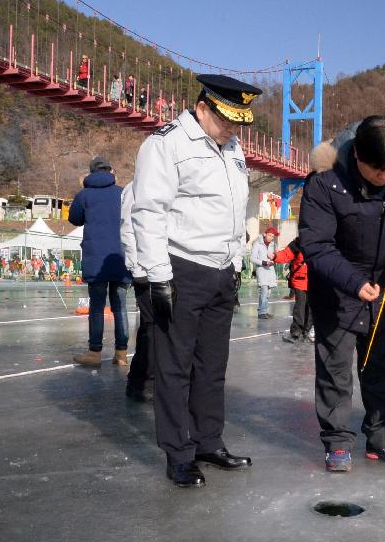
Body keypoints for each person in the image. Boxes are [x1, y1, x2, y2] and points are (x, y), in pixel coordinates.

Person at [131, 74, 260, 488]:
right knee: (174, 368)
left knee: (212, 367)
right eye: (226, 120)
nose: (232, 129)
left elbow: (235, 212)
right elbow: (148, 212)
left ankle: (208, 441)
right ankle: (179, 453)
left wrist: (236, 265)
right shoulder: (165, 144)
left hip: (222, 273)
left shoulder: (233, 148)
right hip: (181, 268)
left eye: (238, 122)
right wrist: (159, 278)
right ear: (203, 107)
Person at [299, 116, 385, 472]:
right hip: (337, 292)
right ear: (357, 153)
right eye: (377, 170)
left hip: (383, 291)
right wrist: (351, 281)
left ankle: (380, 436)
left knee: (379, 370)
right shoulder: (326, 183)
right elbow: (316, 244)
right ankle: (337, 442)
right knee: (335, 372)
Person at [68, 156, 132, 367]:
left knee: (96, 307)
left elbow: (75, 219)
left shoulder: (84, 194)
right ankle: (121, 355)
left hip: (95, 258)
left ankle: (94, 353)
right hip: (120, 256)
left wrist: (83, 191)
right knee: (120, 307)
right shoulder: (123, 192)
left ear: (90, 173)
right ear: (111, 171)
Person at [119, 181, 153, 402]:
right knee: (152, 327)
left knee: (154, 328)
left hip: (165, 266)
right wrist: (135, 266)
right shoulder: (136, 186)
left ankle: (140, 380)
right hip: (147, 267)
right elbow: (128, 227)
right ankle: (142, 382)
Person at [272, 236, 312, 343]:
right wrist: (275, 256)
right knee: (300, 306)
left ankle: (306, 330)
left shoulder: (322, 241)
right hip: (300, 280)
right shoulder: (299, 242)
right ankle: (297, 331)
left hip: (314, 280)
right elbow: (286, 253)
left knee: (311, 307)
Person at [251, 227, 278, 319]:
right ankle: (261, 312)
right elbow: (252, 258)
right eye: (270, 235)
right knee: (264, 291)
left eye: (273, 236)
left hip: (270, 270)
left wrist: (274, 258)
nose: (271, 238)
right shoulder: (257, 244)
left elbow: (274, 256)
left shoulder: (272, 244)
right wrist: (263, 262)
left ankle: (265, 311)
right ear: (265, 234)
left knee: (268, 292)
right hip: (262, 270)